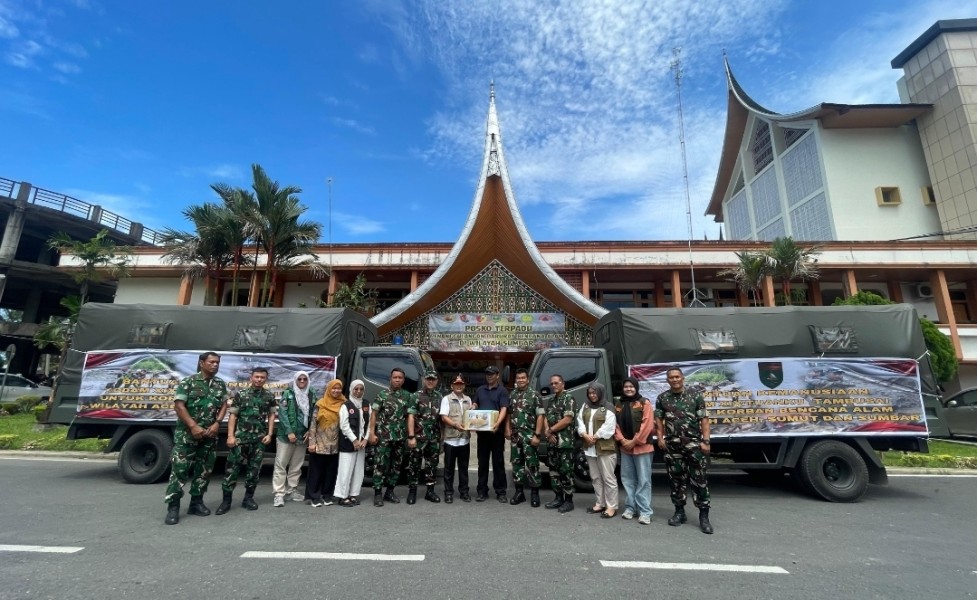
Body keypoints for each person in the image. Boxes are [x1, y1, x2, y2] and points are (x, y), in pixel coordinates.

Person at [163, 351, 229, 525]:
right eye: (212, 362)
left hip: (209, 435)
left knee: (204, 470)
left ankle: (196, 503)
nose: (215, 365)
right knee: (180, 471)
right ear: (202, 363)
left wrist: (217, 423)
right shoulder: (188, 382)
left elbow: (224, 404)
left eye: (217, 363)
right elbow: (179, 406)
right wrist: (193, 426)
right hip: (187, 436)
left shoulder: (220, 384)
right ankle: (173, 506)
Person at [655, 367, 713, 534]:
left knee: (699, 479)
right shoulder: (662, 398)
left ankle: (704, 516)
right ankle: (679, 512)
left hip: (694, 445)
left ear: (682, 378)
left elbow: (704, 420)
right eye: (671, 377)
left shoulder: (695, 395)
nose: (674, 380)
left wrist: (706, 441)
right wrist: (660, 438)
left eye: (677, 377)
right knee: (676, 480)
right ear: (667, 380)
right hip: (672, 446)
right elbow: (658, 419)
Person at [215, 366, 276, 515]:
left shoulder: (269, 396)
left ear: (265, 379)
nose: (259, 380)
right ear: (251, 378)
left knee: (254, 471)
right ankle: (226, 501)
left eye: (262, 377)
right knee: (231, 470)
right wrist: (230, 436)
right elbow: (233, 416)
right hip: (240, 440)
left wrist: (269, 434)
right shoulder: (240, 395)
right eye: (257, 377)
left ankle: (248, 499)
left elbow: (271, 415)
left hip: (259, 440)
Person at [614, 376, 655, 524]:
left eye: (631, 386)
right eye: (626, 387)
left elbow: (647, 425)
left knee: (643, 480)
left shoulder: (644, 403)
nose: (629, 389)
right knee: (628, 479)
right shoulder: (619, 403)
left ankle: (645, 511)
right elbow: (615, 424)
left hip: (642, 447)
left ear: (636, 387)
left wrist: (635, 441)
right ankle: (631, 508)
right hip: (625, 448)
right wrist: (622, 440)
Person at [369, 368, 411, 507]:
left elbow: (409, 417)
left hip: (400, 438)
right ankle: (378, 494)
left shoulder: (407, 396)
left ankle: (390, 491)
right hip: (383, 437)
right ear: (390, 378)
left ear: (403, 380)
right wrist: (372, 433)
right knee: (380, 464)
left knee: (396, 466)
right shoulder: (382, 394)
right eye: (395, 377)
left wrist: (409, 435)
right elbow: (374, 414)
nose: (397, 380)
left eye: (400, 377)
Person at [272, 371, 315, 507]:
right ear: (295, 380)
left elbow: (313, 413)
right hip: (286, 436)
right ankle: (279, 494)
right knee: (281, 465)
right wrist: (289, 432)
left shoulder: (311, 394)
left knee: (296, 465)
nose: (302, 381)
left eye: (304, 379)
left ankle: (292, 490)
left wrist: (310, 431)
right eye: (299, 379)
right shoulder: (288, 394)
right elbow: (283, 414)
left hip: (302, 436)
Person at [578, 381, 618, 518]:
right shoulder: (585, 406)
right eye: (590, 393)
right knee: (595, 478)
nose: (592, 395)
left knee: (608, 478)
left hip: (605, 448)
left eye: (594, 392)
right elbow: (580, 422)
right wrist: (584, 434)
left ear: (600, 392)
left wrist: (594, 437)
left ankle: (611, 506)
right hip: (590, 449)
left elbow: (609, 427)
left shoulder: (608, 407)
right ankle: (600, 503)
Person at [506, 368, 544, 507]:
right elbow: (509, 414)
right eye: (518, 378)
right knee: (517, 465)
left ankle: (535, 494)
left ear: (527, 379)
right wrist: (507, 429)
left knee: (532, 465)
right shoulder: (513, 394)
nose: (521, 380)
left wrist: (537, 435)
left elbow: (540, 415)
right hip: (515, 436)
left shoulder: (535, 395)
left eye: (523, 378)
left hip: (529, 436)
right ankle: (519, 493)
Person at [305, 378, 345, 507]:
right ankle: (314, 496)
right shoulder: (320, 403)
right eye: (333, 388)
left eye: (338, 388)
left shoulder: (344, 403)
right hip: (320, 443)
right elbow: (313, 425)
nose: (336, 390)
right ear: (329, 389)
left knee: (331, 472)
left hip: (335, 444)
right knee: (316, 471)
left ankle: (327, 495)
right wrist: (312, 442)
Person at [473, 365, 510, 502]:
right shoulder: (480, 389)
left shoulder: (502, 391)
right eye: (487, 374)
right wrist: (473, 407)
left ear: (497, 375)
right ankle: (482, 491)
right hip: (482, 433)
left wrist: (497, 424)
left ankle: (501, 491)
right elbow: (476, 403)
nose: (489, 376)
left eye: (492, 374)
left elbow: (504, 409)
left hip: (496, 433)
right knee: (482, 463)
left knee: (498, 462)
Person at [406, 371, 443, 505]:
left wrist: (442, 437)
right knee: (414, 465)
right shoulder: (415, 396)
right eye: (428, 379)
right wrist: (411, 436)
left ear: (436, 381)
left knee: (432, 465)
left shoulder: (439, 397)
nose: (430, 381)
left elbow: (442, 418)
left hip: (434, 438)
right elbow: (411, 417)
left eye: (433, 379)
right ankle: (412, 491)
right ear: (424, 380)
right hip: (418, 438)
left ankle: (430, 492)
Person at [543, 374, 576, 513]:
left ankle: (568, 501)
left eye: (556, 383)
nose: (554, 385)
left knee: (566, 471)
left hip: (564, 443)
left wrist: (550, 430)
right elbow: (545, 417)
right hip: (552, 443)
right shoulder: (551, 400)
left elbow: (567, 419)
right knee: (554, 472)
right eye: (552, 384)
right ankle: (558, 498)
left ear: (563, 384)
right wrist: (547, 431)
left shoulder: (568, 398)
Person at [336, 379, 370, 507]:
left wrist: (365, 439)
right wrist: (354, 440)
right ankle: (342, 496)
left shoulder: (366, 404)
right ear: (351, 389)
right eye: (356, 389)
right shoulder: (346, 405)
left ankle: (353, 494)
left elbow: (369, 424)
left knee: (359, 471)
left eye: (361, 389)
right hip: (348, 443)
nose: (358, 391)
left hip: (361, 444)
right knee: (345, 470)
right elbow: (344, 425)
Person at [439, 373, 472, 504]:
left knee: (464, 468)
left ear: (464, 385)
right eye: (456, 384)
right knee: (449, 469)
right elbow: (443, 417)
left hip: (464, 439)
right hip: (450, 439)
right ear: (452, 385)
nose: (459, 386)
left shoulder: (468, 399)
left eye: (461, 384)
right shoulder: (446, 399)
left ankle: (464, 492)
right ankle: (448, 493)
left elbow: (471, 416)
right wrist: (454, 424)